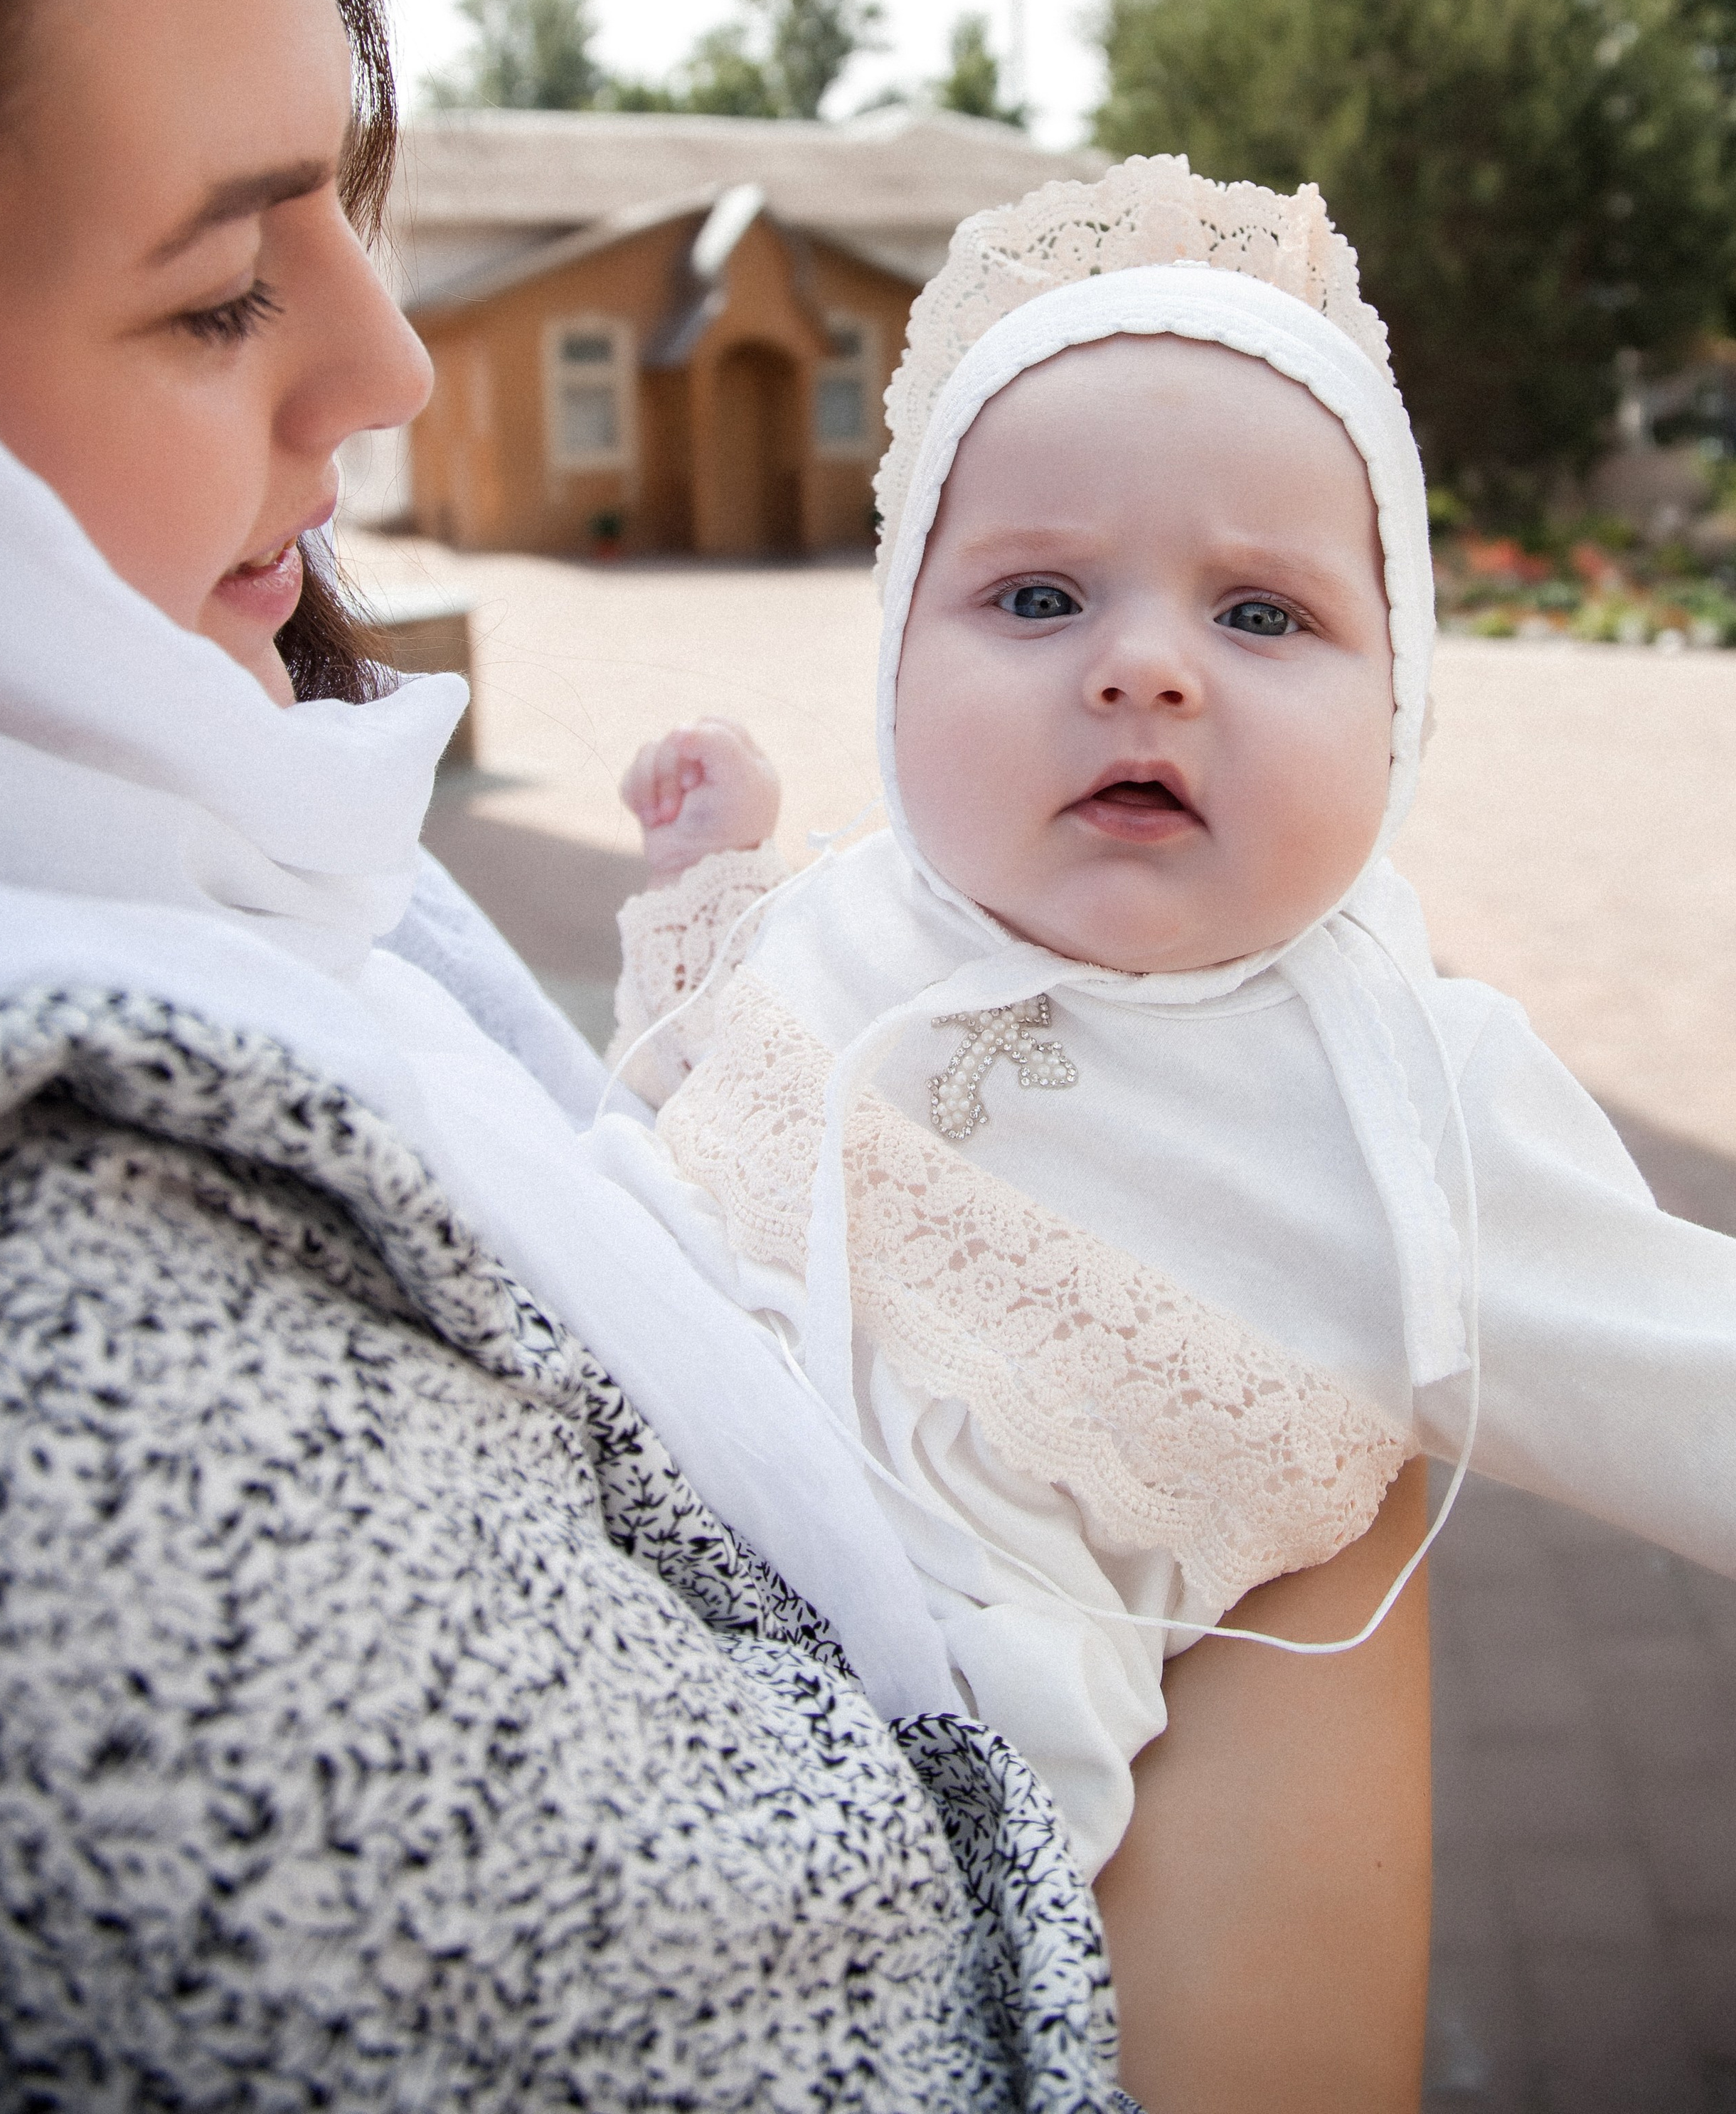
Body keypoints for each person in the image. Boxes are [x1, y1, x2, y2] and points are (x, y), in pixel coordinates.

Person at [0, 0, 1431, 2113]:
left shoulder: (222, 846)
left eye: (361, 210)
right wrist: (1368, 1516)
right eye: (219, 285)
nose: (391, 370)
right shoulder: (69, 1468)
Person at [602, 161, 1736, 1895]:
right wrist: (710, 881)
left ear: (1399, 706)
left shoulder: (1402, 1098)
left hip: (856, 1812)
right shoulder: (860, 907)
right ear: (898, 657)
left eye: (1259, 614)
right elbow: (687, 1095)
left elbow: (1690, 1376)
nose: (1142, 670)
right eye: (1037, 599)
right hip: (570, 1506)